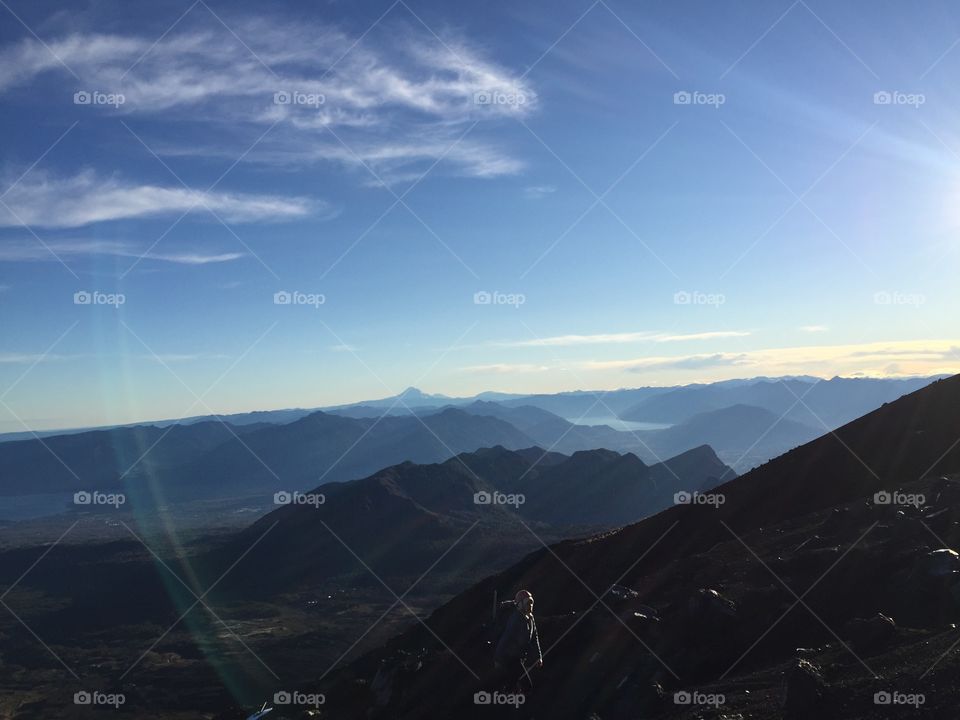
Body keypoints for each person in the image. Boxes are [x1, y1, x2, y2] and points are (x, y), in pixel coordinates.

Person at [492, 590, 543, 693]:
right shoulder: (515, 619)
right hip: (510, 658)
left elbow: (534, 637)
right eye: (528, 603)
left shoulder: (530, 618)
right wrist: (498, 659)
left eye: (531, 602)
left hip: (518, 657)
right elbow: (507, 639)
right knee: (525, 685)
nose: (530, 605)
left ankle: (507, 701)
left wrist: (538, 656)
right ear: (520, 604)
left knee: (514, 684)